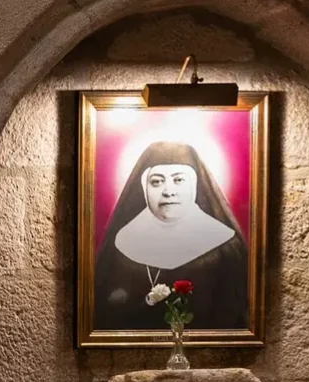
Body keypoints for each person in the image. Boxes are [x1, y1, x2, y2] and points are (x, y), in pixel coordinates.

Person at [93, 139, 250, 331]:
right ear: (145, 188)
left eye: (179, 180)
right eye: (157, 182)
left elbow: (239, 317)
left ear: (194, 185)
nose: (168, 192)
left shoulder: (226, 245)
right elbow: (104, 313)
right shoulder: (119, 245)